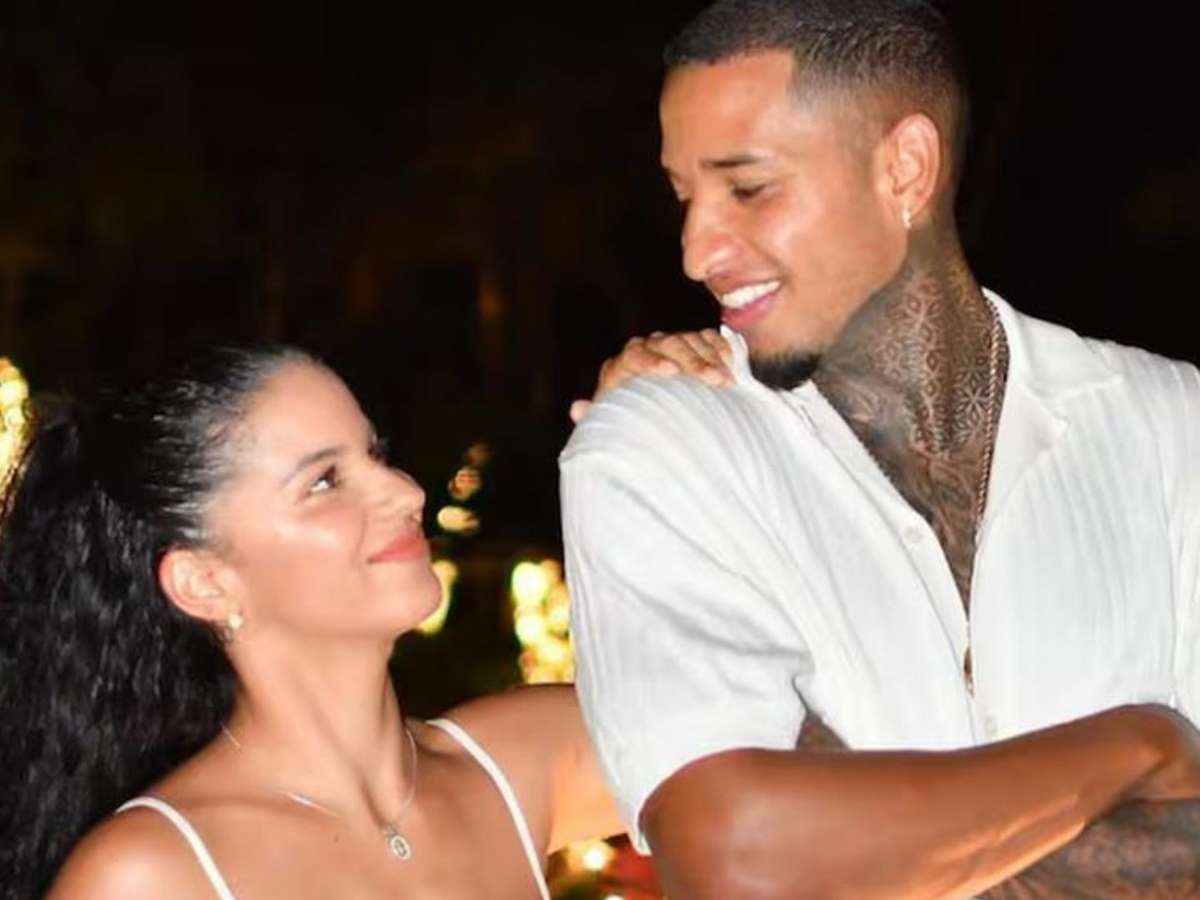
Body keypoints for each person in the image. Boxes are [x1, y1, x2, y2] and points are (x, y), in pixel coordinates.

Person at [560, 1, 1200, 897]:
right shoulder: (661, 449)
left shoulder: (1170, 425)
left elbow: (793, 862)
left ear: (905, 168)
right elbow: (742, 864)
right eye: (683, 197)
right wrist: (1144, 745)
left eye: (748, 188)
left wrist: (850, 833)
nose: (696, 252)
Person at [0, 345, 623, 899]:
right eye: (325, 481)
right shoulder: (151, 877)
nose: (407, 493)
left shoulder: (518, 762)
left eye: (376, 454)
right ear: (205, 582)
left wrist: (647, 414)